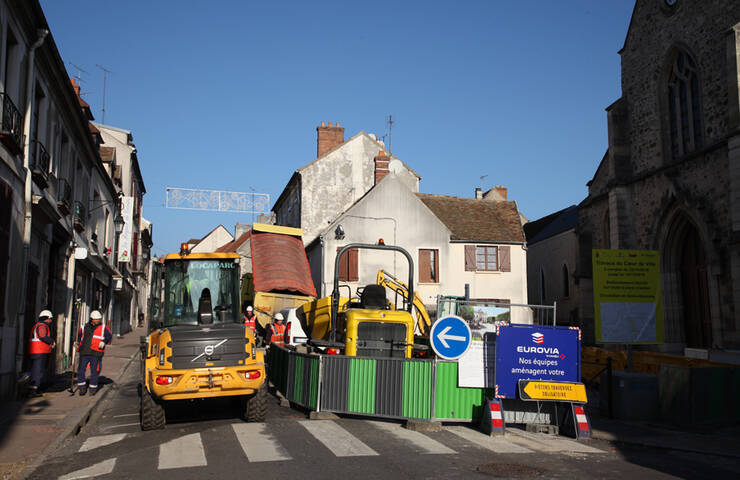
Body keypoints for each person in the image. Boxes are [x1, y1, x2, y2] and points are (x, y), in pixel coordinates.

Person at [76, 310, 112, 396]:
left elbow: (109, 336)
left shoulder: (103, 327)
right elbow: (79, 337)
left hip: (96, 352)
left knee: (95, 371)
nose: (98, 320)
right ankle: (82, 387)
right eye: (96, 319)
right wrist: (77, 343)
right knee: (81, 370)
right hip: (84, 351)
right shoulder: (84, 327)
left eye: (99, 319)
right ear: (92, 319)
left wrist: (104, 341)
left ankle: (93, 389)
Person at [27, 310, 55, 397]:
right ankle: (33, 390)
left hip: (36, 350)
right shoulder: (42, 326)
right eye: (50, 319)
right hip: (39, 351)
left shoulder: (38, 325)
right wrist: (51, 341)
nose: (51, 321)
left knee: (36, 370)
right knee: (38, 371)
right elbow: (42, 336)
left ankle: (35, 388)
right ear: (47, 318)